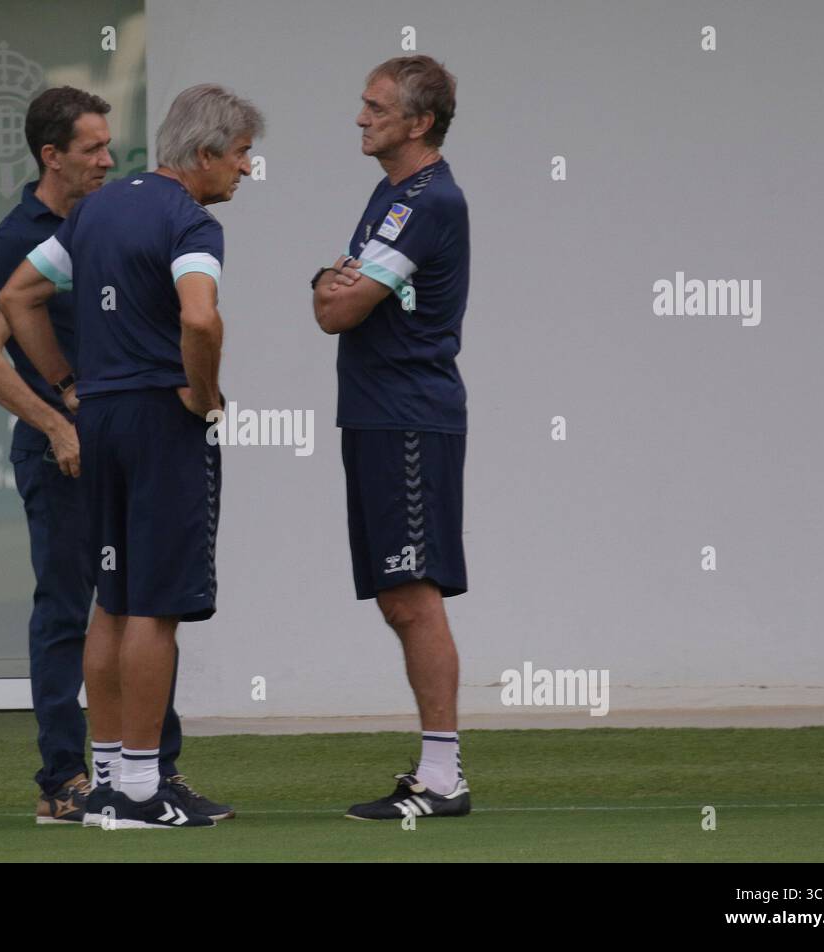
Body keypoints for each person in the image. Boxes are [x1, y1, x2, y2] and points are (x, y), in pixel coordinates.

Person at [0, 83, 263, 830]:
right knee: (155, 605)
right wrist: (203, 393)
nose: (246, 169)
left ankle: (110, 777)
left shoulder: (95, 210)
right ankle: (143, 791)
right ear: (205, 153)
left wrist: (68, 383)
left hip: (101, 421)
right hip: (158, 421)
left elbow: (20, 299)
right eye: (241, 154)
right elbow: (201, 319)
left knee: (110, 602)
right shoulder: (190, 222)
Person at [310, 56, 472, 820]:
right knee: (397, 594)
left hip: (407, 414)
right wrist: (331, 280)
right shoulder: (390, 193)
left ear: (419, 123)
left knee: (414, 593)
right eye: (364, 102)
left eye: (376, 107)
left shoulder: (428, 202)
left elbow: (339, 310)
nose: (360, 116)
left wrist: (335, 285)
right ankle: (436, 771)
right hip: (377, 413)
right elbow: (336, 292)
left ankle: (443, 778)